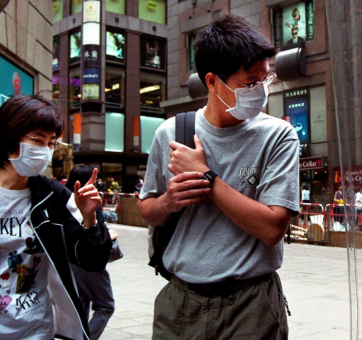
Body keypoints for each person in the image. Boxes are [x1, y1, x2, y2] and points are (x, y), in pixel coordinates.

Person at [138, 15, 299, 339]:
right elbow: (147, 208)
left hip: (251, 306)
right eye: (250, 83)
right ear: (212, 82)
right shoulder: (172, 134)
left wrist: (206, 178)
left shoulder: (278, 136)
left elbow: (272, 228)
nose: (260, 91)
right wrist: (169, 202)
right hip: (181, 303)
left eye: (264, 81)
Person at [0, 94, 112, 340]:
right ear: (9, 139)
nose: (45, 150)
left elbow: (92, 261)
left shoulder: (54, 197)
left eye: (51, 143)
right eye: (37, 140)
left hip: (35, 330)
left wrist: (90, 220)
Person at [67, 165, 117, 340]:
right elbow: (97, 231)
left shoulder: (64, 198)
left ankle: (76, 335)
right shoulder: (90, 199)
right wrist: (108, 235)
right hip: (89, 260)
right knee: (106, 305)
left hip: (70, 261)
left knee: (81, 302)